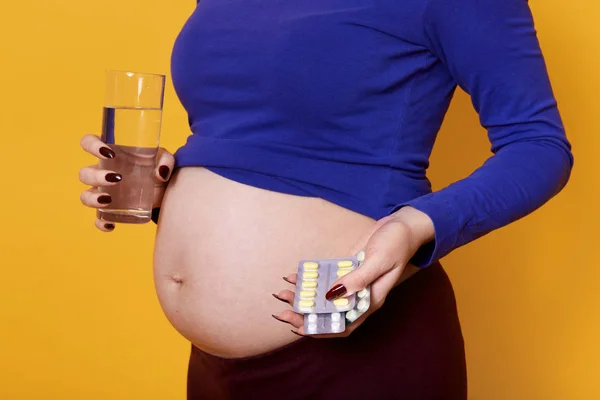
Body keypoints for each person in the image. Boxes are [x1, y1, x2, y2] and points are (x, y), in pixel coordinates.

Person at [78, 0, 573, 398]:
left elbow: (538, 145)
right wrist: (175, 185)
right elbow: (253, 135)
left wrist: (416, 226)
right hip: (213, 371)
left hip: (360, 356)